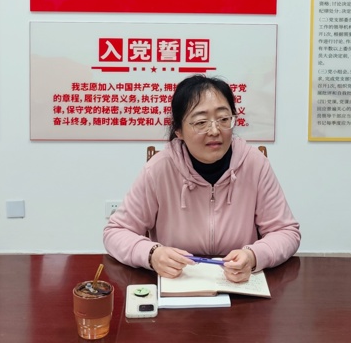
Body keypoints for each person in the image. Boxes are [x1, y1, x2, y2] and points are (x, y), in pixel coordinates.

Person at [104, 75, 300, 283]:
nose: (215, 131)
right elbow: (116, 232)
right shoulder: (159, 169)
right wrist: (152, 254)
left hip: (237, 283)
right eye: (200, 122)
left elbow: (286, 232)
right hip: (178, 281)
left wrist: (254, 256)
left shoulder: (255, 165)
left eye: (223, 119)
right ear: (178, 130)